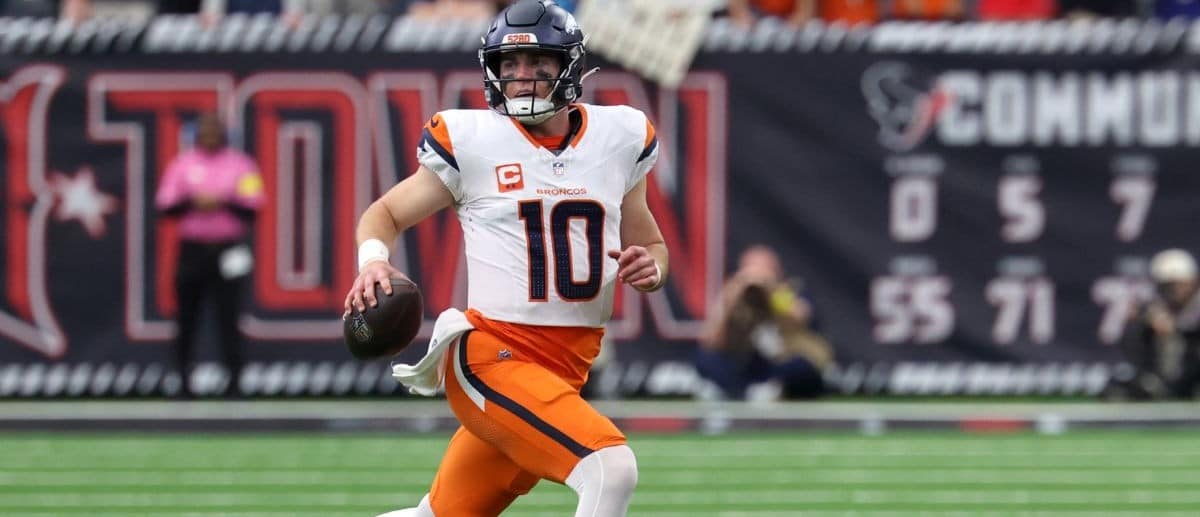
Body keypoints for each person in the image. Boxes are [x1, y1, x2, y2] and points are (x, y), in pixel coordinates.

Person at [343, 1, 668, 515]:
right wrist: (373, 262)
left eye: (537, 62)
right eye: (509, 65)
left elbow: (651, 244)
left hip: (566, 367)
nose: (521, 76)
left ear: (569, 65)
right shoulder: (474, 141)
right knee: (611, 466)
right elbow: (384, 214)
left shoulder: (620, 137)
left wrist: (653, 269)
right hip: (493, 356)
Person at [155, 112, 264, 398]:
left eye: (215, 130)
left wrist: (221, 201)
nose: (211, 135)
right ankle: (182, 381)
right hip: (193, 249)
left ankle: (235, 382)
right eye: (206, 130)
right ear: (197, 134)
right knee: (186, 316)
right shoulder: (183, 165)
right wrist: (194, 201)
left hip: (229, 249)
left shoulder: (241, 165)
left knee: (229, 314)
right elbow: (166, 205)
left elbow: (253, 206)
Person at [696, 245, 833, 401]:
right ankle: (736, 390)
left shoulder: (789, 291)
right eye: (752, 269)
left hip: (780, 361)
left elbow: (803, 316)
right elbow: (710, 338)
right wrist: (734, 295)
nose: (757, 274)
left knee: (802, 367)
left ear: (777, 271)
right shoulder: (733, 295)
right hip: (747, 360)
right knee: (706, 358)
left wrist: (770, 290)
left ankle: (768, 389)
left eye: (763, 268)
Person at [1106, 248, 1200, 400]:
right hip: (1167, 373)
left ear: (1192, 282)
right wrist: (1143, 322)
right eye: (1166, 286)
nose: (1173, 291)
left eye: (1178, 284)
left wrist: (1178, 330)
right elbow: (1133, 345)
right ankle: (1157, 385)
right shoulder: (1155, 307)